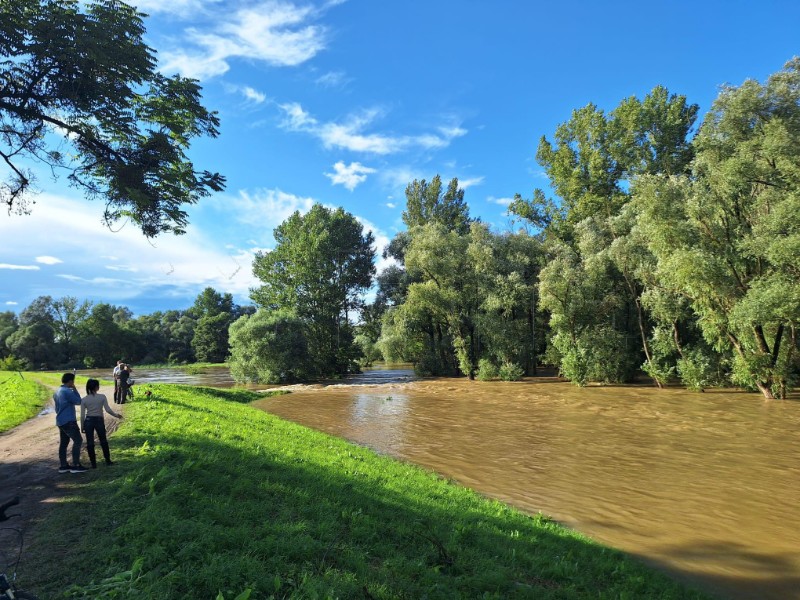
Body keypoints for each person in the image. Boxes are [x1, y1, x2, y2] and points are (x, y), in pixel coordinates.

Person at [81, 378, 123, 468]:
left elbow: (82, 415)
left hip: (88, 421)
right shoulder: (102, 397)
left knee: (90, 443)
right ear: (96, 387)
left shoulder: (84, 399)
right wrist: (116, 415)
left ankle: (93, 464)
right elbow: (108, 410)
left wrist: (82, 426)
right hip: (99, 420)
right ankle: (108, 461)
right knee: (103, 441)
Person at [54, 372, 88, 474]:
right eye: (73, 381)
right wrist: (75, 389)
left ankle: (63, 466)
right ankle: (76, 465)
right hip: (69, 421)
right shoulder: (68, 391)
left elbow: (56, 408)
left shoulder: (57, 391)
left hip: (60, 421)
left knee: (64, 444)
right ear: (70, 381)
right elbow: (79, 401)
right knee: (78, 441)